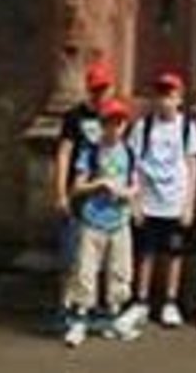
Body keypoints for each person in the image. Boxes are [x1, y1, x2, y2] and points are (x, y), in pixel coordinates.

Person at [63, 97, 141, 347]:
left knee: (120, 272)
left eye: (119, 123)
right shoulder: (91, 152)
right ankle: (79, 320)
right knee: (85, 271)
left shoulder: (129, 152)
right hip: (93, 221)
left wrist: (128, 194)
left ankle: (114, 319)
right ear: (102, 124)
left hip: (119, 221)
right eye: (109, 122)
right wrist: (100, 184)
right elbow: (77, 187)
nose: (115, 128)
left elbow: (135, 185)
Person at [127, 71, 196, 329]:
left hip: (175, 201)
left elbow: (192, 165)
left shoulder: (187, 127)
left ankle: (170, 301)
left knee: (174, 253)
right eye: (160, 95)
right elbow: (134, 166)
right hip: (149, 200)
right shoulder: (143, 126)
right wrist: (135, 201)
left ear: (179, 99)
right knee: (145, 252)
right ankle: (141, 300)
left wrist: (189, 204)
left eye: (170, 95)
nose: (164, 100)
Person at [53, 59, 116, 330]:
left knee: (100, 255)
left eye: (104, 89)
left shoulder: (115, 115)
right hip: (79, 192)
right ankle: (65, 306)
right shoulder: (74, 117)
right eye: (96, 89)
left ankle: (91, 306)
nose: (100, 94)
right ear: (88, 89)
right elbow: (64, 154)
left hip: (105, 197)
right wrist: (60, 193)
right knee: (71, 253)